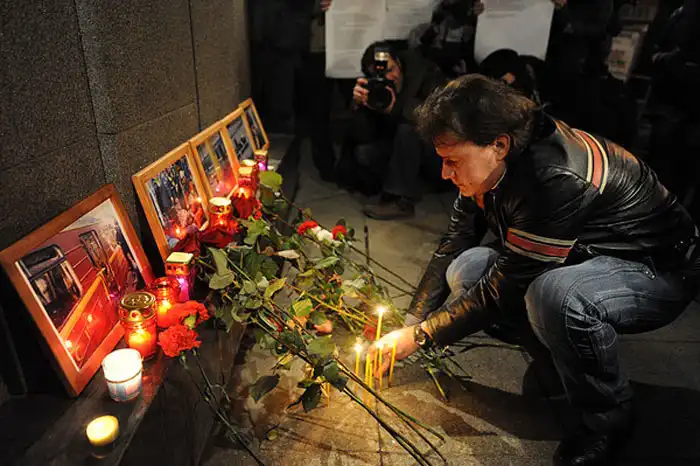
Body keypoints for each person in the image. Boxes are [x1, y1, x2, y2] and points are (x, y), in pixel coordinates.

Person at [370, 75, 699, 466]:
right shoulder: (495, 162)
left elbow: (505, 287)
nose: (445, 174)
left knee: (556, 296)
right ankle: (561, 356)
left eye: (452, 161)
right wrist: (411, 320)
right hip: (584, 250)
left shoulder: (553, 177)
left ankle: (607, 419)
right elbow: (454, 242)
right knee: (467, 268)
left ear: (498, 145)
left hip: (658, 268)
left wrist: (420, 337)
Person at [337, 41, 447, 219]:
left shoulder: (427, 73)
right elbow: (362, 136)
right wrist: (358, 107)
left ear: (399, 62)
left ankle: (400, 201)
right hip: (403, 153)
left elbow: (437, 117)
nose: (388, 77)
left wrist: (395, 108)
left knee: (408, 129)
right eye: (379, 74)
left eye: (390, 70)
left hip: (439, 155)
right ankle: (410, 185)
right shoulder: (376, 88)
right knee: (365, 153)